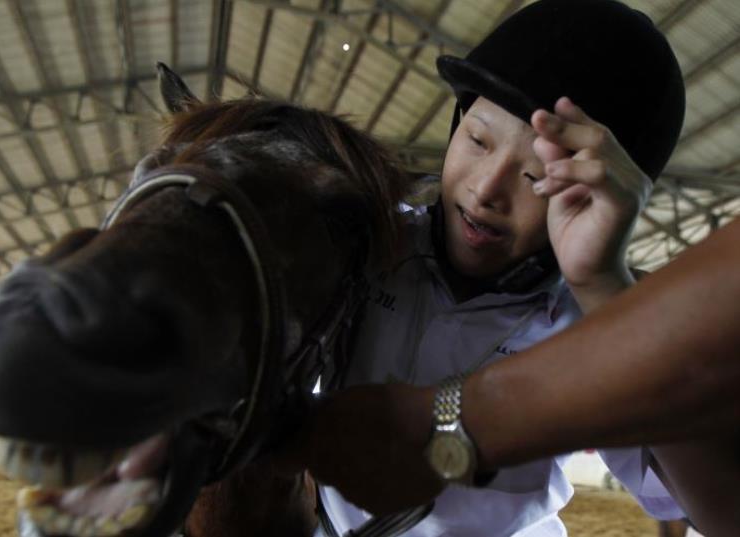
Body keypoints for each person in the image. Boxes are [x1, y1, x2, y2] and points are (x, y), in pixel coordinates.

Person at [276, 1, 715, 535]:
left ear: (602, 194)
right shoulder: (368, 243)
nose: (485, 191)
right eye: (477, 140)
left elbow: (706, 505)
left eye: (536, 176)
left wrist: (603, 286)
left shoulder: (594, 314)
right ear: (457, 120)